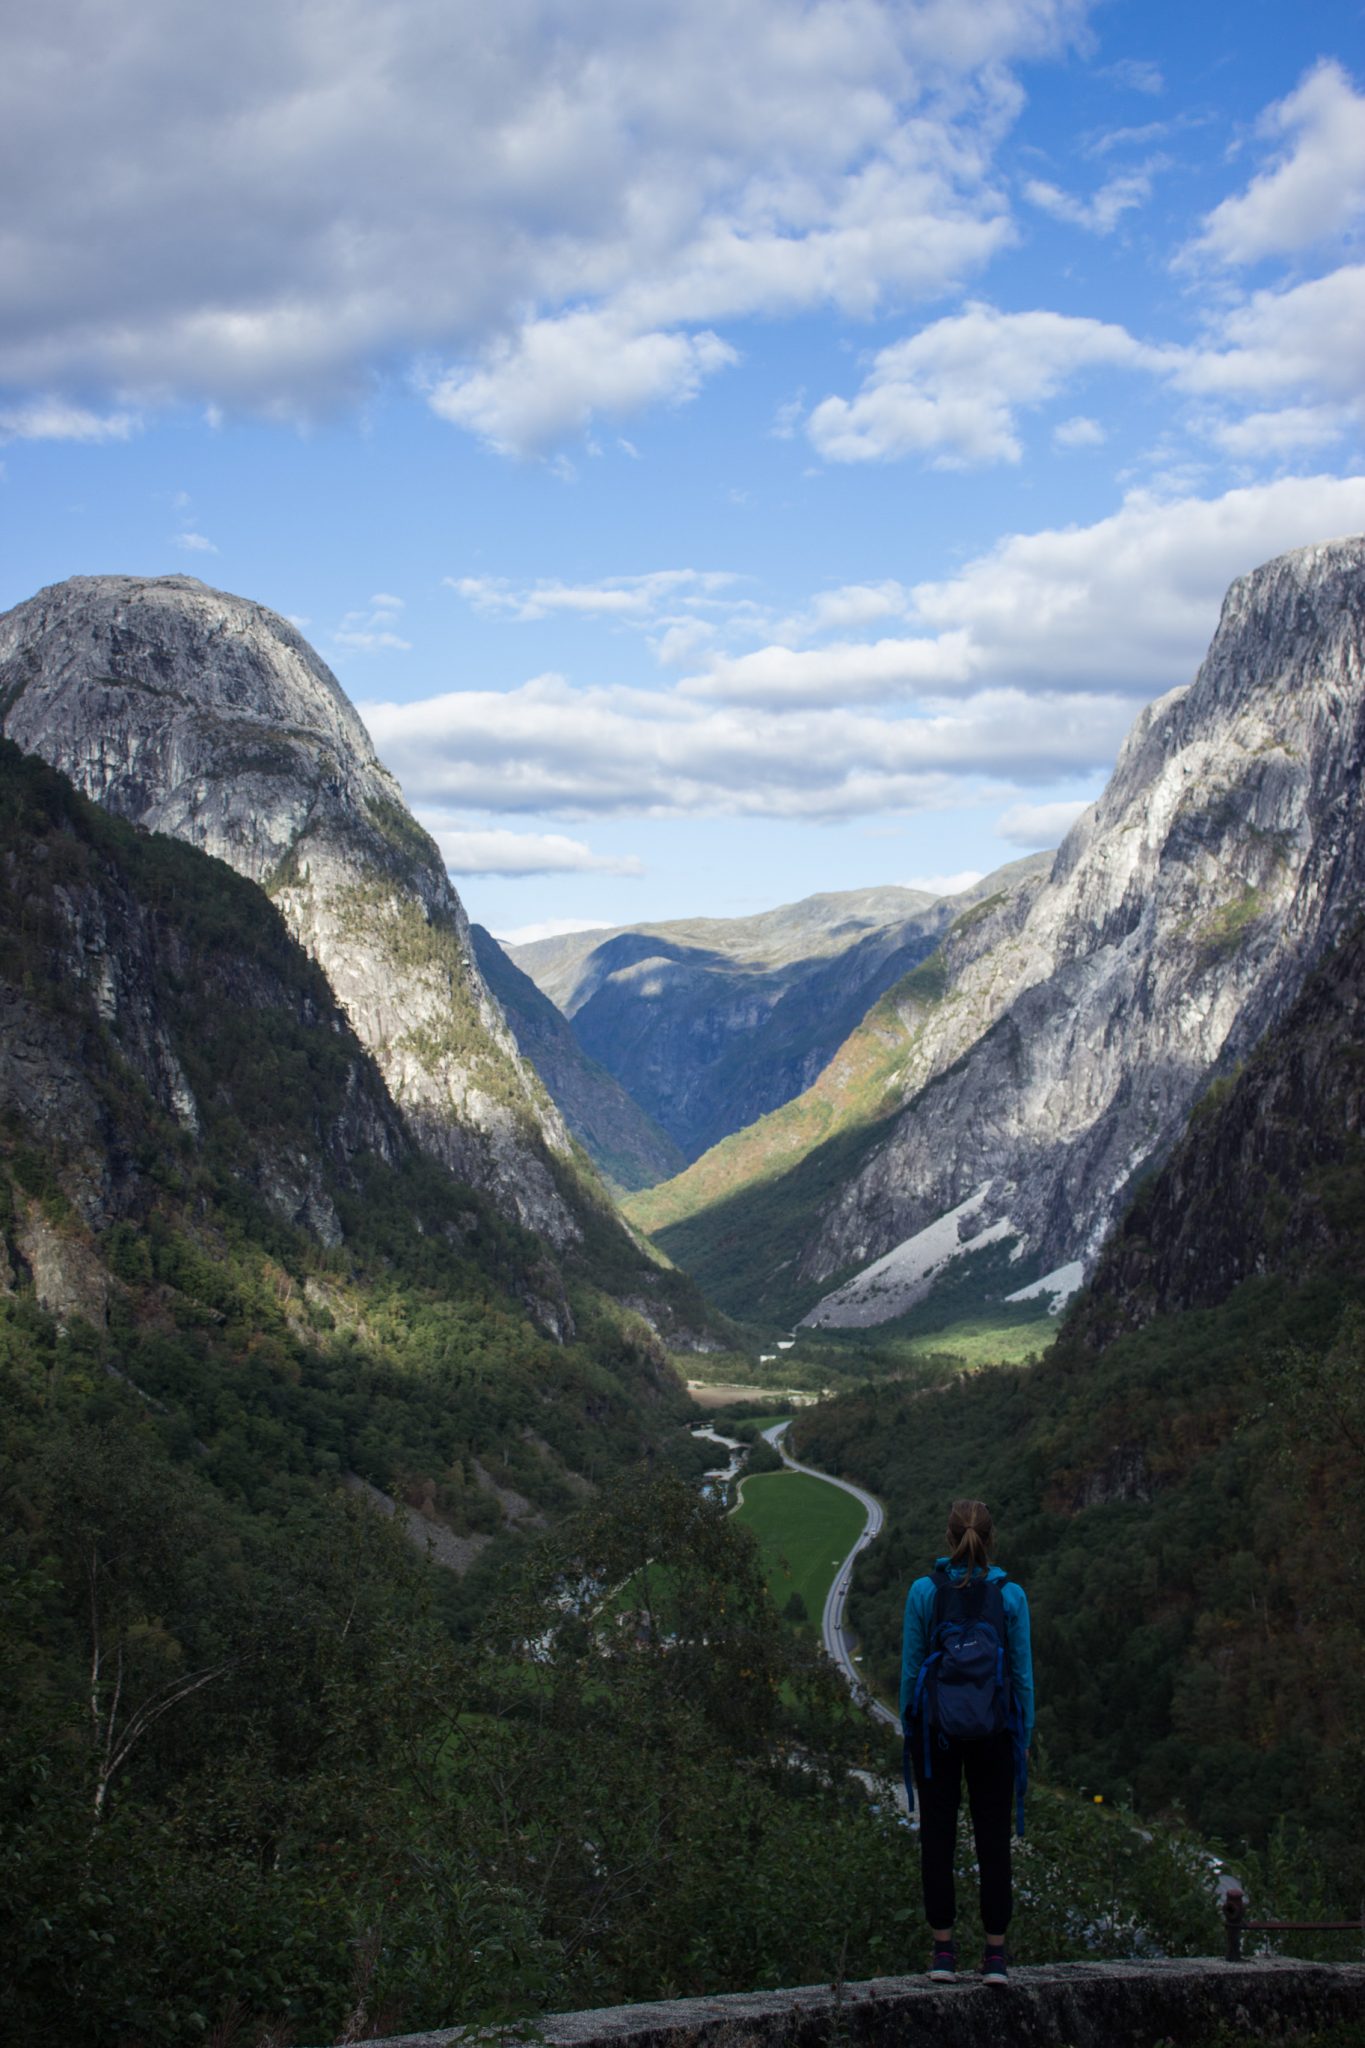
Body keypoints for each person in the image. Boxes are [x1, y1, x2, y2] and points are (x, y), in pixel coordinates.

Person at [900, 1499, 1033, 1987]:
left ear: (948, 1539)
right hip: (996, 1731)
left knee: (937, 1838)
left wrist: (910, 1728)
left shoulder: (923, 1592)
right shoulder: (1011, 1595)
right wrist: (1025, 1736)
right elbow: (1022, 1676)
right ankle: (995, 1956)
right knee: (993, 1838)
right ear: (991, 1539)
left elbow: (912, 1669)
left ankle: (943, 1952)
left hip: (936, 1733)